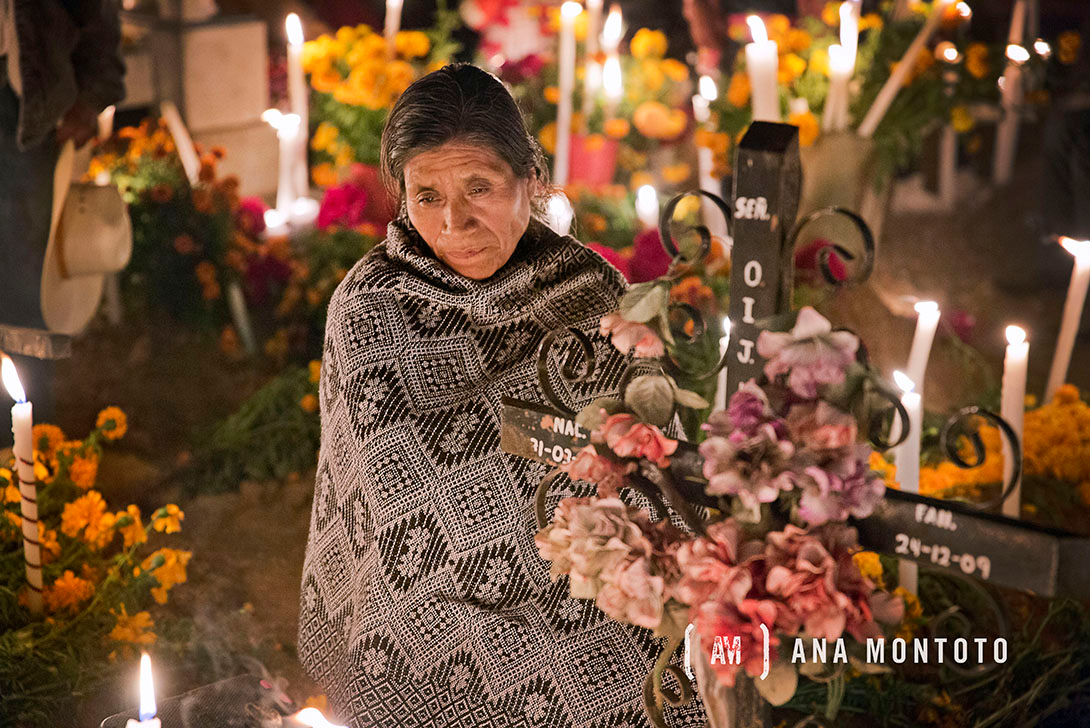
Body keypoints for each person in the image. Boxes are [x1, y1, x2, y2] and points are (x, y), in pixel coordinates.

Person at [298, 63, 705, 727]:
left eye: (477, 187)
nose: (453, 219)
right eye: (426, 196)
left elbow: (649, 462)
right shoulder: (372, 307)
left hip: (587, 597)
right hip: (422, 613)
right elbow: (389, 497)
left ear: (531, 182)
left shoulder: (588, 291)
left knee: (656, 678)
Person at [0, 0, 125, 443]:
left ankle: (26, 450)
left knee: (26, 288)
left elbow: (96, 12)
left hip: (24, 108)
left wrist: (92, 94)